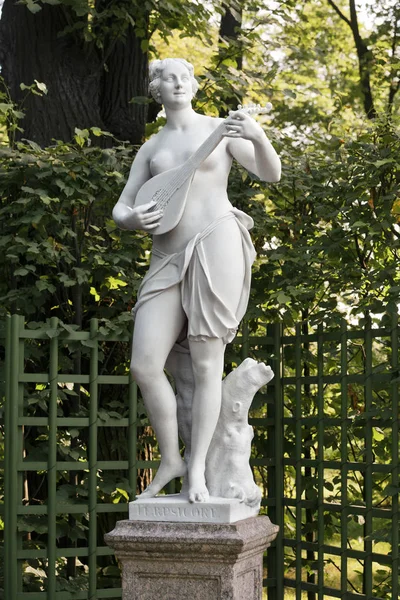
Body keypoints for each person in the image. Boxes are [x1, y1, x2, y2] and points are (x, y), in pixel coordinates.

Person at [112, 57, 281, 503]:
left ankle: (198, 475)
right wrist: (131, 219)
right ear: (156, 91)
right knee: (145, 365)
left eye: (185, 77)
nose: (178, 83)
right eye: (168, 78)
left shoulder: (219, 131)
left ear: (194, 86)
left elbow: (270, 172)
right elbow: (122, 206)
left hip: (216, 242)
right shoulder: (151, 149)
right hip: (166, 254)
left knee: (209, 365)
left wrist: (258, 135)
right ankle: (172, 459)